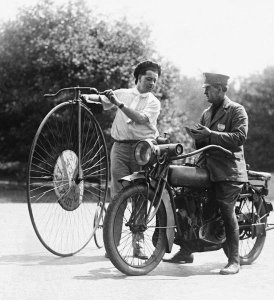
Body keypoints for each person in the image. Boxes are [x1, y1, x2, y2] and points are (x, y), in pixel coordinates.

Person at [163, 72, 248, 275]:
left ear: (220, 89)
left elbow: (239, 137)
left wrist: (211, 135)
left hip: (229, 170)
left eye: (208, 88)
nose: (205, 92)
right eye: (204, 89)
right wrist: (198, 137)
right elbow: (203, 142)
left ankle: (234, 261)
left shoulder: (236, 110)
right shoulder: (207, 113)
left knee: (226, 209)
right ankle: (187, 250)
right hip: (207, 168)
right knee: (185, 199)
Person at [82, 60, 162, 258]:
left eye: (154, 80)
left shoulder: (153, 102)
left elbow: (140, 119)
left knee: (140, 195)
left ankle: (138, 243)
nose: (151, 83)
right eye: (148, 79)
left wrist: (118, 104)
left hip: (142, 151)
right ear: (138, 78)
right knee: (118, 195)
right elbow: (102, 99)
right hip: (119, 148)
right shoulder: (123, 93)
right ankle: (113, 244)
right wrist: (85, 97)